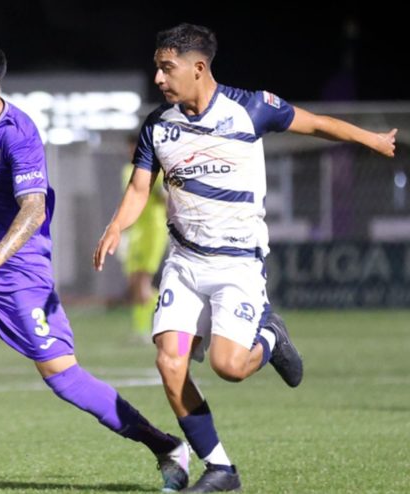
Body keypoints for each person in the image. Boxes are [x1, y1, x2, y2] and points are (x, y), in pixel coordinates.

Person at [94, 23, 397, 492]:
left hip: (237, 264)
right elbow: (139, 189)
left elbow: (317, 124)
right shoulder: (158, 125)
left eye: (167, 68)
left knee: (229, 367)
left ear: (199, 68)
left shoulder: (251, 108)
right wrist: (117, 225)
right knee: (170, 363)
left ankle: (271, 336)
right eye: (157, 67)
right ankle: (221, 469)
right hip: (185, 264)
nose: (158, 78)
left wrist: (371, 140)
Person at [0, 38, 190, 490]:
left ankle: (166, 446)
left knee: (64, 379)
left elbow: (34, 209)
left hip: (17, 269)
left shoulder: (18, 134)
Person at [118, 134, 168, 340]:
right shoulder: (127, 170)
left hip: (152, 231)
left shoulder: (154, 170)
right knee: (134, 283)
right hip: (135, 233)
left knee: (142, 282)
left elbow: (165, 198)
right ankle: (141, 330)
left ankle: (169, 316)